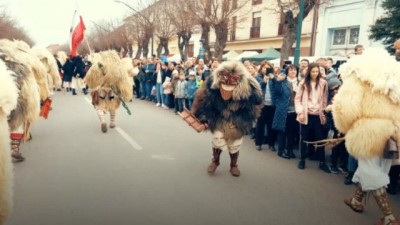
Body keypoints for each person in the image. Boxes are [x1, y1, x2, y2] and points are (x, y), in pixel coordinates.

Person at [334, 48, 399, 225]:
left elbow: (346, 106)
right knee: (376, 169)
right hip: (392, 132)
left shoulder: (359, 78)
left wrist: (344, 127)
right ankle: (356, 201)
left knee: (371, 173)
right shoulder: (394, 78)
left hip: (368, 132)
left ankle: (389, 217)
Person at [191, 61, 263, 177]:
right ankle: (215, 161)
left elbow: (255, 104)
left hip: (237, 119)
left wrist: (242, 121)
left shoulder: (249, 88)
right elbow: (204, 103)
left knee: (235, 144)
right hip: (218, 118)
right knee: (217, 140)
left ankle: (233, 165)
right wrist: (204, 120)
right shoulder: (211, 85)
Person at [84, 50, 133, 133]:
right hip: (113, 91)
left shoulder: (98, 66)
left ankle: (103, 121)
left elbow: (89, 78)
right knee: (112, 107)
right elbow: (123, 82)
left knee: (99, 106)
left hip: (101, 90)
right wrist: (126, 93)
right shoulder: (119, 68)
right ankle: (112, 122)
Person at [295, 63, 330, 173]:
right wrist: (300, 112)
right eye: (313, 71)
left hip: (318, 115)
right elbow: (297, 99)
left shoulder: (323, 83)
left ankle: (322, 162)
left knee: (320, 139)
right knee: (304, 138)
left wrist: (323, 114)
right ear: (309, 72)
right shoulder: (303, 83)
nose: (315, 74)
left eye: (316, 71)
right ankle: (302, 160)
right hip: (306, 115)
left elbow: (324, 100)